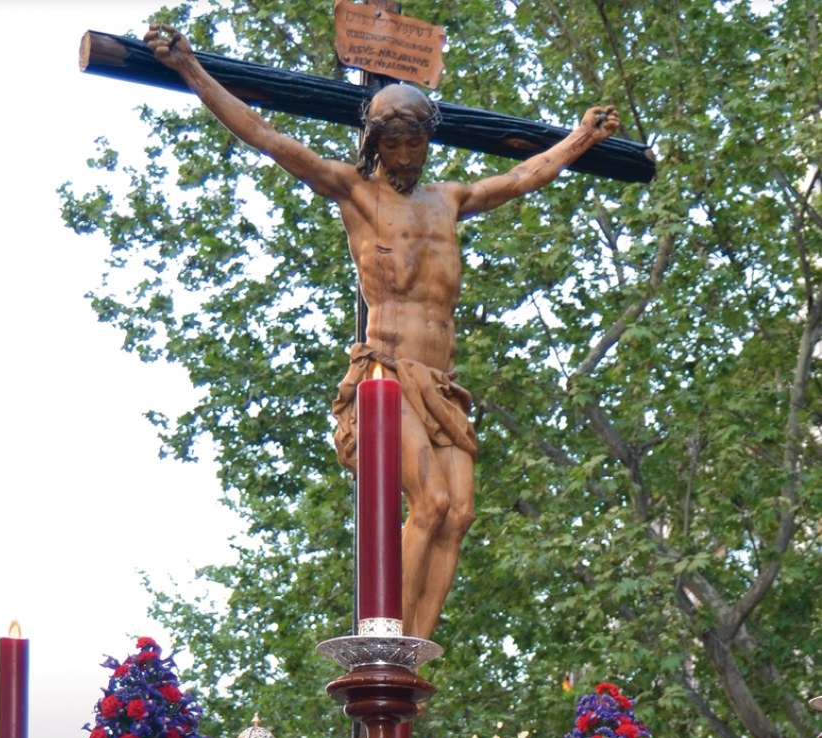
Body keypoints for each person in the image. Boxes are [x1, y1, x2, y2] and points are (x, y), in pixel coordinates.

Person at [145, 24, 620, 640]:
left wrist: (581, 137)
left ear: (428, 142)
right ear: (374, 141)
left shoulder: (450, 200)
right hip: (386, 377)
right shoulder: (355, 193)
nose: (403, 157)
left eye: (414, 144)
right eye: (392, 143)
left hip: (442, 385)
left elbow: (526, 175)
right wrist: (191, 69)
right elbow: (266, 135)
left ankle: (414, 652)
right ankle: (383, 637)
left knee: (459, 513)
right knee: (429, 503)